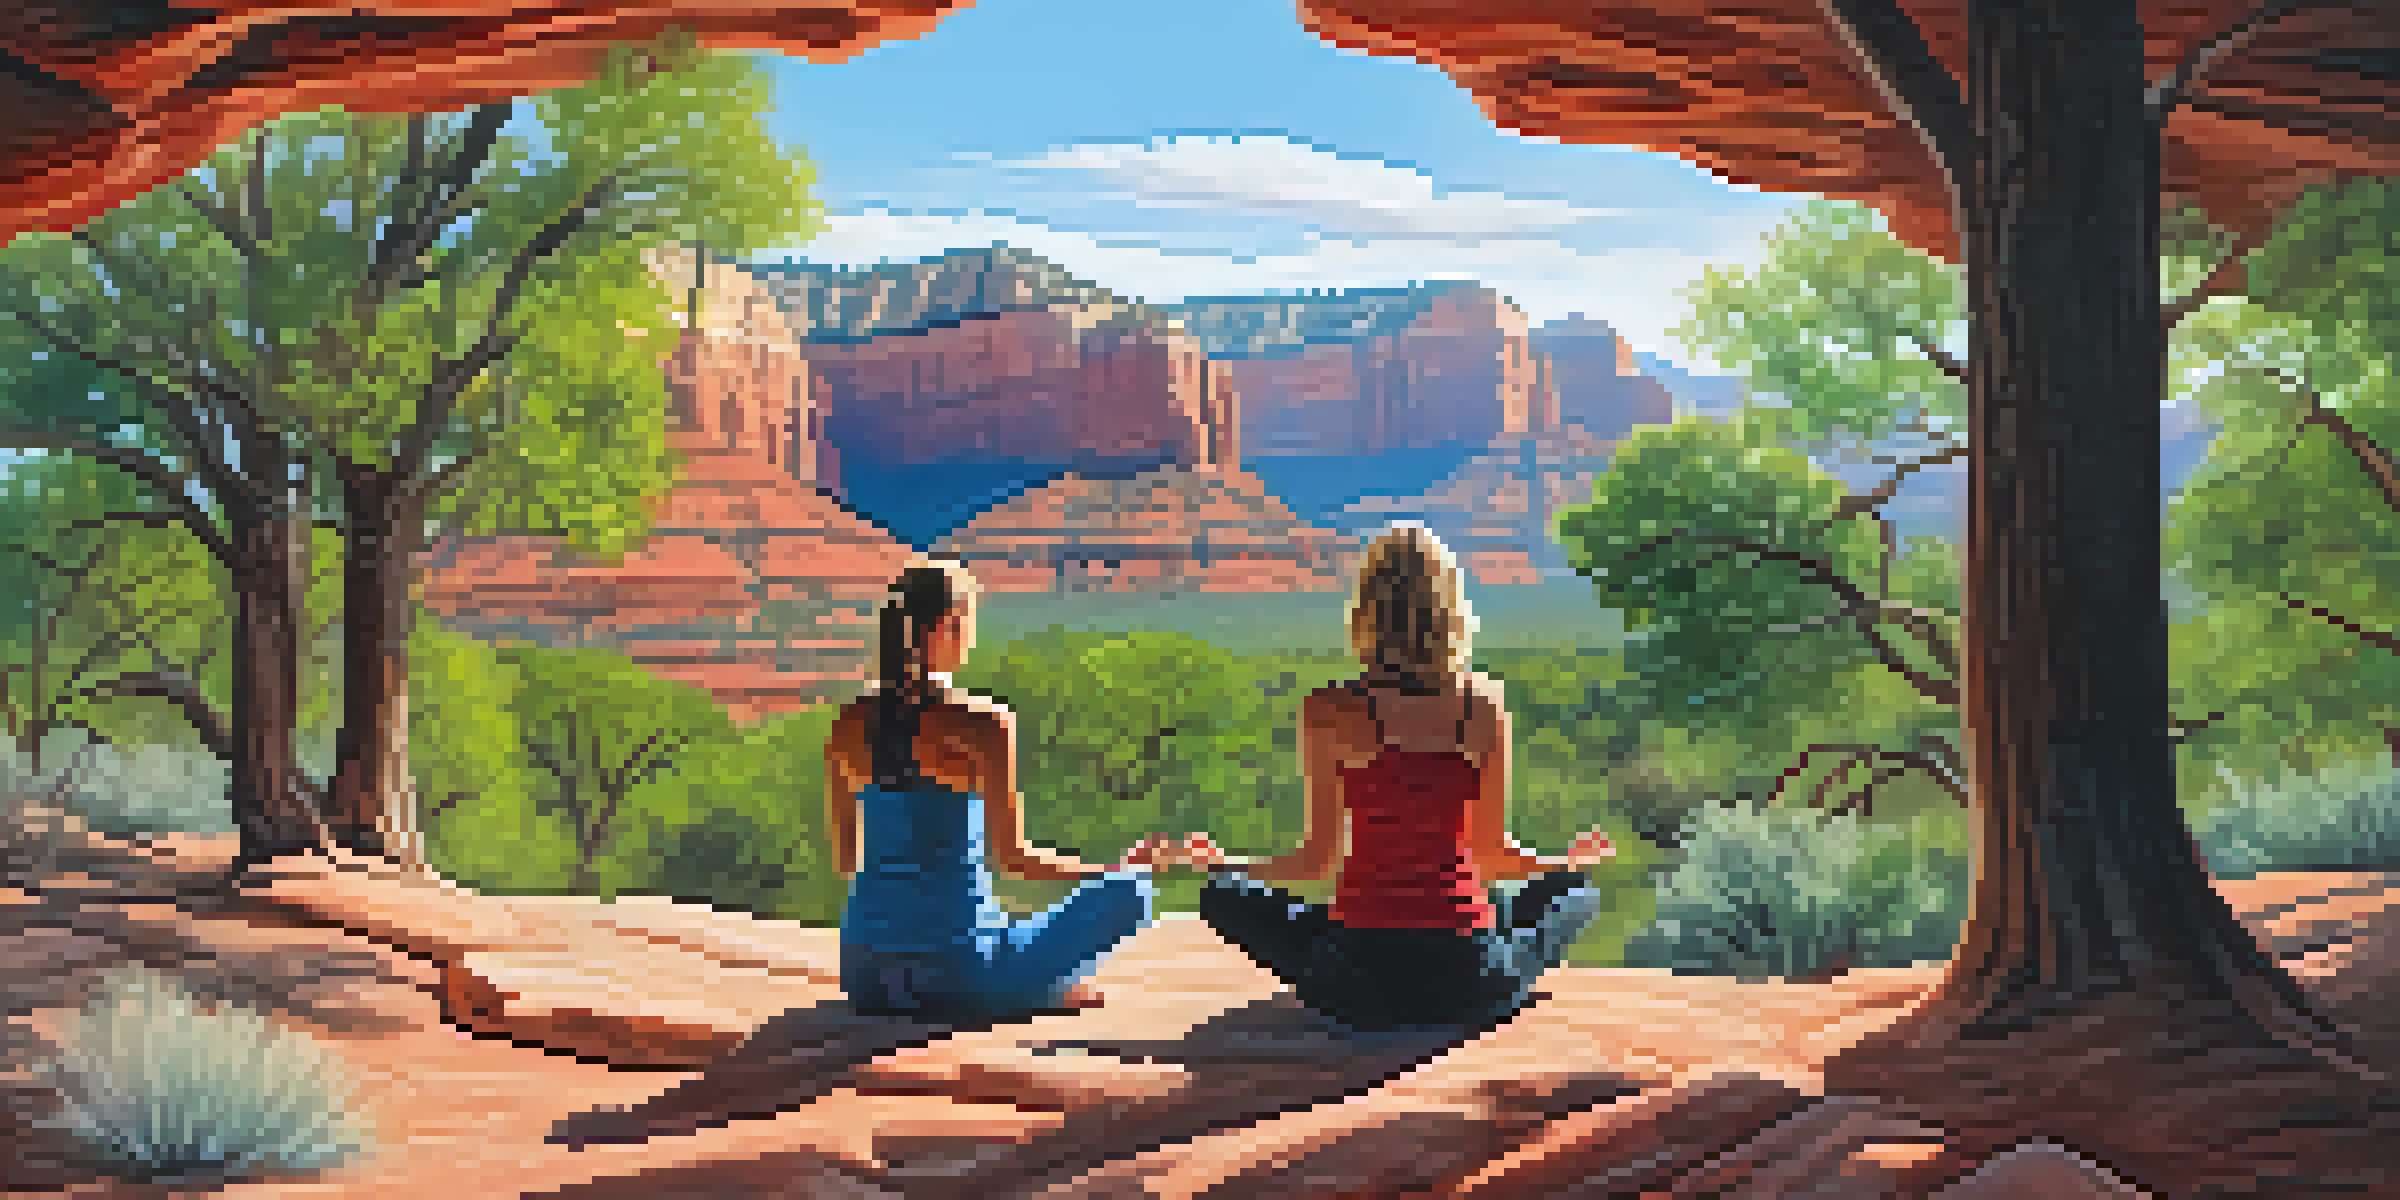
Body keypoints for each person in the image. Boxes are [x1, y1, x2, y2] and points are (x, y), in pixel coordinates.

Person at [1184, 524, 1615, 1032]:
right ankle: (1512, 952)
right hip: (1469, 981)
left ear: (1366, 611)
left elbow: (1316, 860)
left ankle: (1329, 940)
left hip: (1357, 982)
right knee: (1574, 890)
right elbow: (1491, 854)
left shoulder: (1328, 709)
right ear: (1449, 608)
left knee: (1222, 892)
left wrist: (1224, 862)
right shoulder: (1482, 704)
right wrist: (1567, 861)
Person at [826, 558, 1170, 1021]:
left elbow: (848, 862)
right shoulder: (982, 724)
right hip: (956, 976)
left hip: (863, 973)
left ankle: (1025, 977)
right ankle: (1036, 988)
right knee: (1134, 891)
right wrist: (1113, 870)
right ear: (949, 626)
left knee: (998, 933)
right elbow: (1014, 860)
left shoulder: (847, 725)